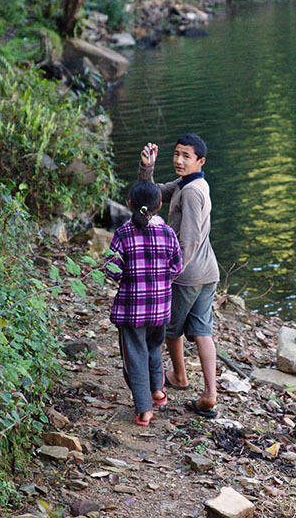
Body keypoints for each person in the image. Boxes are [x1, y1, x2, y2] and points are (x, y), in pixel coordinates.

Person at [138, 134, 220, 418]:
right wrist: (147, 168)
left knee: (171, 330)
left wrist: (172, 272)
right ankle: (210, 393)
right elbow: (154, 195)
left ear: (200, 161)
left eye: (186, 156)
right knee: (201, 330)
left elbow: (190, 238)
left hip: (189, 274)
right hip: (208, 271)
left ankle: (180, 376)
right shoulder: (191, 183)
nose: (178, 160)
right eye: (176, 154)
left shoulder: (192, 191)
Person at [105, 180, 183, 426]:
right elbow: (177, 266)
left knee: (135, 355)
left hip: (131, 309)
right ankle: (158, 391)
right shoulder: (168, 233)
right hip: (160, 308)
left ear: (130, 205)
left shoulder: (123, 234)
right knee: (153, 348)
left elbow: (111, 267)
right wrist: (161, 279)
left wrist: (127, 276)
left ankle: (143, 409)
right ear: (159, 205)